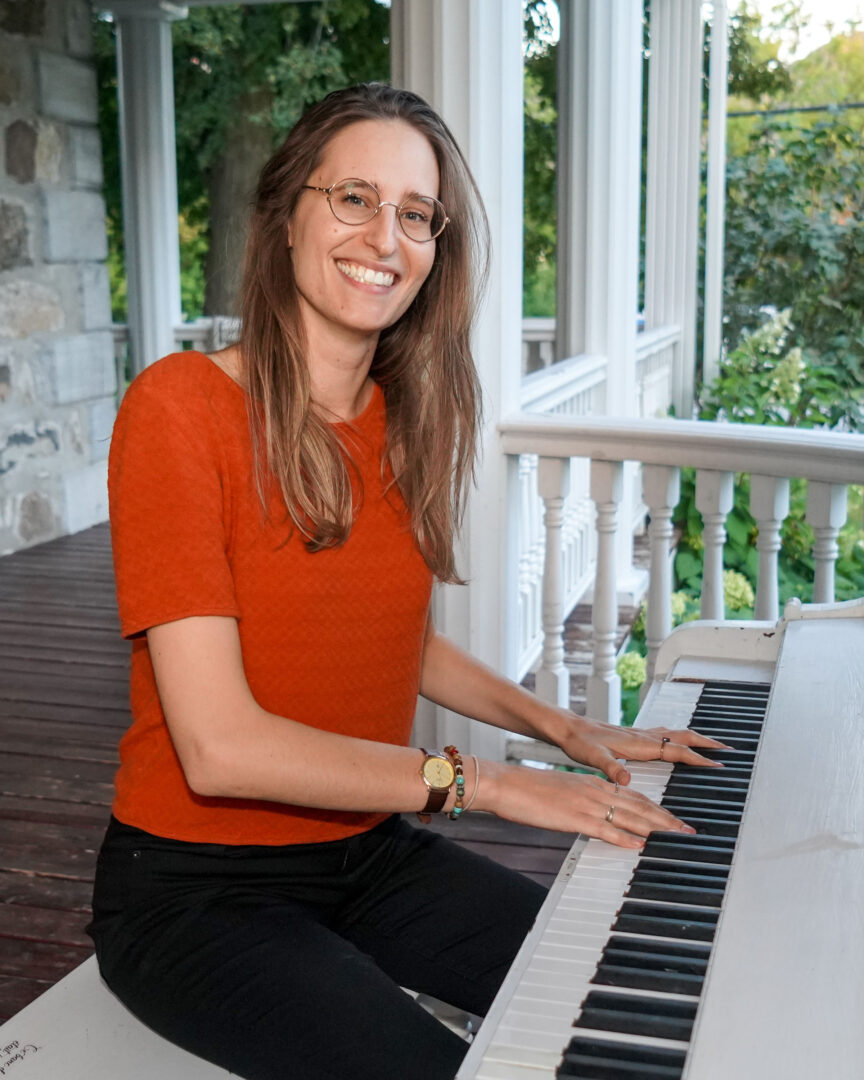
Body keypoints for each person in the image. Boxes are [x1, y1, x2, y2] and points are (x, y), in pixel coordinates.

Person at [88, 83, 722, 1080]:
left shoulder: (399, 420)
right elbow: (218, 748)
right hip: (197, 893)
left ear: (435, 250)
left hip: (368, 854)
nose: (385, 235)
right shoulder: (178, 409)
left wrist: (563, 729)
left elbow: (392, 637)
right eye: (353, 198)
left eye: (415, 214)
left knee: (631, 978)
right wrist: (490, 785)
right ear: (287, 212)